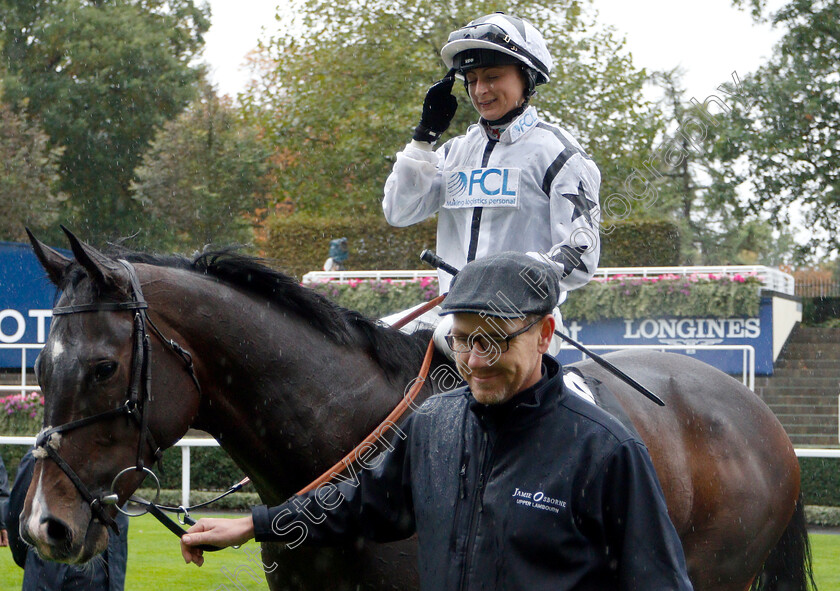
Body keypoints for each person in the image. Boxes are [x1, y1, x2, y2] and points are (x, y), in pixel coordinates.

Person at [179, 252, 693, 590]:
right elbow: (363, 505)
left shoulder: (607, 450)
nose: (474, 360)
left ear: (544, 333)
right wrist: (257, 523)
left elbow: (659, 582)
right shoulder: (435, 425)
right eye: (464, 340)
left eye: (493, 341)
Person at [381, 13, 602, 355]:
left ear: (527, 78)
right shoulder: (453, 151)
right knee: (368, 340)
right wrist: (423, 138)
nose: (480, 90)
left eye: (493, 76)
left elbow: (581, 252)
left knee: (438, 339)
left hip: (521, 321)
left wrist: (510, 276)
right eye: (471, 80)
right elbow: (398, 210)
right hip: (451, 315)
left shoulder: (561, 154)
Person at [6, 448, 129, 591]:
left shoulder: (114, 465)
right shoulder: (41, 458)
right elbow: (17, 522)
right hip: (58, 580)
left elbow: (16, 521)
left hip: (100, 580)